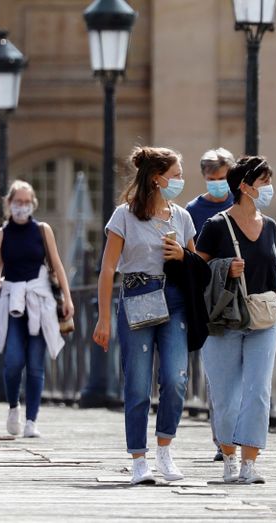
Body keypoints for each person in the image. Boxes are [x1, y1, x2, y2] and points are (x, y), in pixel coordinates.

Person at [92, 146, 195, 485]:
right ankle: (139, 458)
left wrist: (181, 253)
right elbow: (108, 268)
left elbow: (196, 266)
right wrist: (104, 318)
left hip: (175, 299)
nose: (181, 181)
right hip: (137, 294)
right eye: (177, 175)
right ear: (157, 178)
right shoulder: (124, 215)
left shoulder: (182, 217)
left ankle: (165, 447)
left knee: (176, 377)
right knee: (137, 382)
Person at [196, 156, 276, 484]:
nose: (269, 187)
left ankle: (249, 463)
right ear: (244, 186)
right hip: (223, 322)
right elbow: (195, 274)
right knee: (226, 395)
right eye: (264, 181)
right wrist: (225, 267)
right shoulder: (214, 226)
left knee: (257, 391)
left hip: (264, 320)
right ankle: (228, 456)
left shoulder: (270, 226)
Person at [0, 181, 73, 438]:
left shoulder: (43, 230)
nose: (21, 206)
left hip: (40, 301)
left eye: (26, 202)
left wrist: (67, 298)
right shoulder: (0, 235)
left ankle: (31, 420)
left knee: (35, 364)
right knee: (12, 361)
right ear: (8, 203)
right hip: (12, 303)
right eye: (17, 202)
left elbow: (57, 264)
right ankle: (13, 407)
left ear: (33, 204)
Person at [185, 147, 236, 462]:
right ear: (204, 177)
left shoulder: (240, 204)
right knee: (217, 371)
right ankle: (222, 438)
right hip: (210, 297)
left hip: (243, 294)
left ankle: (237, 434)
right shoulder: (194, 210)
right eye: (212, 179)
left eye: (223, 178)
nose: (218, 184)